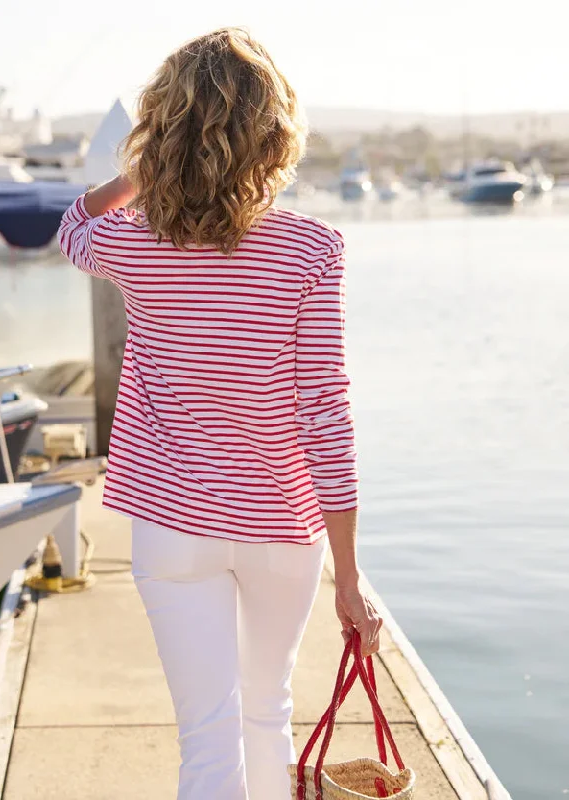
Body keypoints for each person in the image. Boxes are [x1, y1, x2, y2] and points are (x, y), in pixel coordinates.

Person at [57, 26, 382, 800]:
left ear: (163, 132)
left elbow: (70, 228)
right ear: (273, 135)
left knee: (207, 734)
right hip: (282, 526)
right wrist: (350, 575)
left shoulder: (132, 244)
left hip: (171, 525)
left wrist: (143, 173)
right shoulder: (313, 251)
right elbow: (325, 413)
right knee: (267, 712)